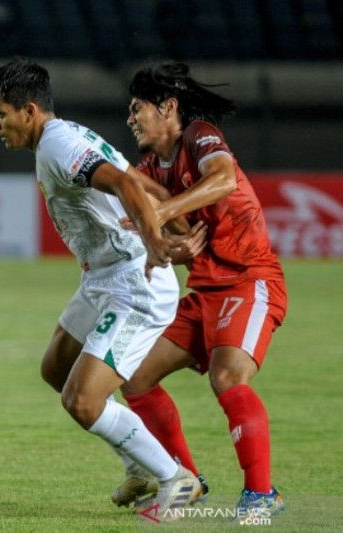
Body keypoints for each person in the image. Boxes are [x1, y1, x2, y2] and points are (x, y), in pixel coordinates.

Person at [0, 58, 203, 522]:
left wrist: (155, 240)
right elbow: (135, 179)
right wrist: (169, 216)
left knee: (82, 401)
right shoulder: (61, 138)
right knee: (56, 368)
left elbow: (124, 183)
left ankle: (176, 480)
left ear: (29, 111)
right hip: (102, 277)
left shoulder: (59, 145)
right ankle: (138, 468)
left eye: (0, 114)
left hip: (133, 284)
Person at [116, 62, 288, 518]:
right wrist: (165, 242)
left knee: (227, 377)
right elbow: (179, 235)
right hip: (204, 289)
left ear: (168, 107)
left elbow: (225, 179)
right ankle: (185, 483)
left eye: (137, 109)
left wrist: (163, 210)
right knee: (133, 376)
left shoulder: (199, 135)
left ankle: (261, 494)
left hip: (250, 280)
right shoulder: (150, 168)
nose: (130, 119)